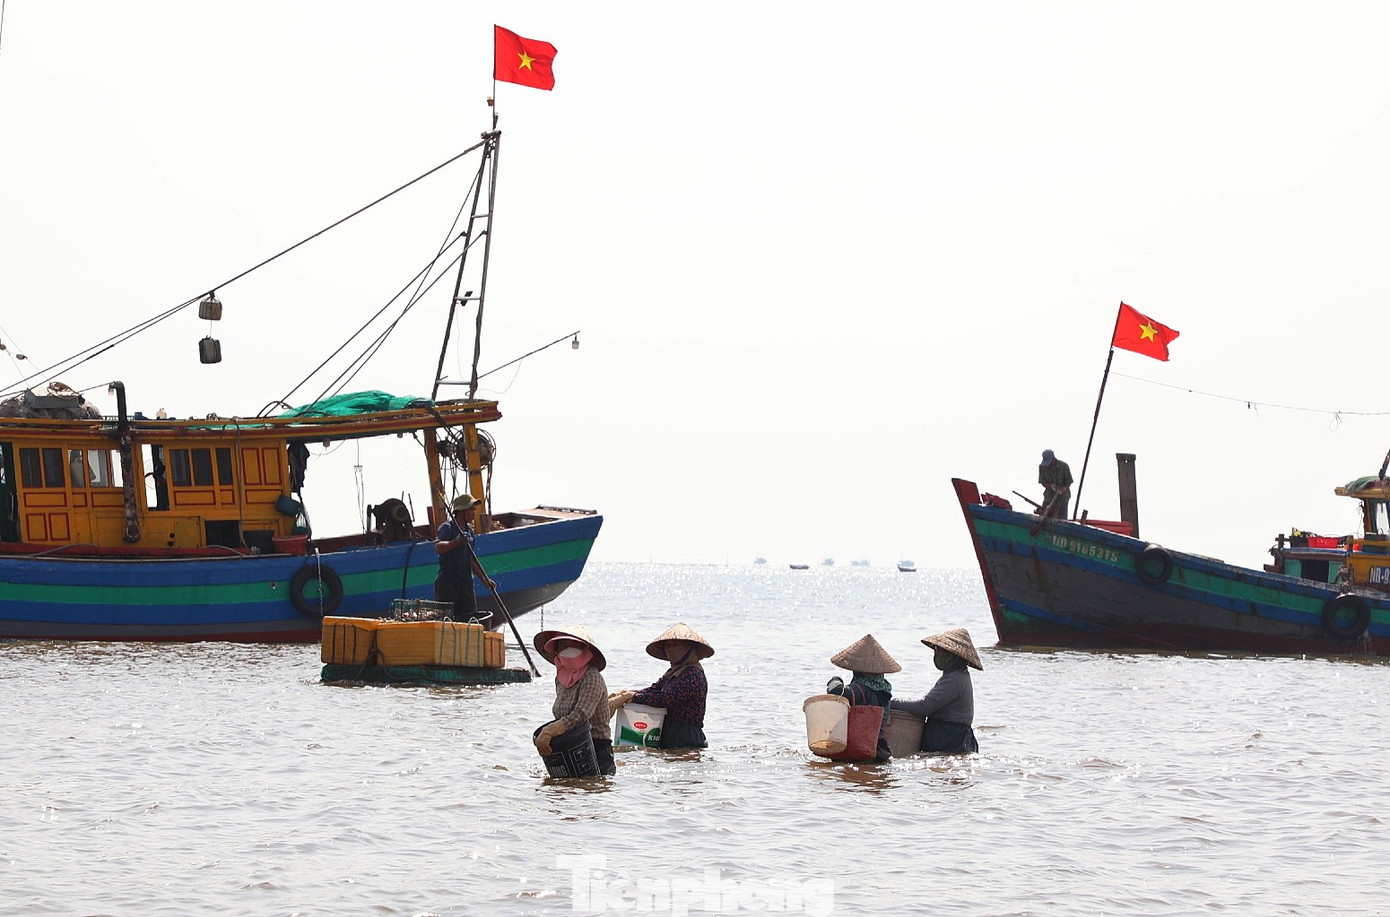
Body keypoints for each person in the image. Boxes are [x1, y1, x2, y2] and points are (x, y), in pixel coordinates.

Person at [609, 622, 712, 749]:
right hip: (669, 731)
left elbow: (666, 699)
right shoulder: (673, 672)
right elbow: (654, 690)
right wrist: (625, 694)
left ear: (689, 648)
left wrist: (633, 696)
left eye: (675, 645)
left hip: (686, 735)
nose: (670, 649)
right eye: (667, 646)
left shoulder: (693, 674)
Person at [532, 625, 615, 776]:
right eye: (563, 645)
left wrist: (551, 730)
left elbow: (581, 715)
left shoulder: (592, 676)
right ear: (556, 651)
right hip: (569, 744)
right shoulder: (560, 678)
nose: (568, 648)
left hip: (596, 748)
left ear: (585, 649)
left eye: (574, 644)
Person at [890, 627, 982, 754]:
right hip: (948, 735)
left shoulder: (955, 679)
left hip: (950, 737)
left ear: (953, 655)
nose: (936, 654)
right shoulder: (954, 675)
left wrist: (890, 702)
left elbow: (924, 706)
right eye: (936, 650)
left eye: (940, 650)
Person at [825, 633, 899, 763]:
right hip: (878, 752)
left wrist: (835, 679)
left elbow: (836, 691)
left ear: (857, 670)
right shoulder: (885, 690)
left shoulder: (860, 688)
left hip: (858, 752)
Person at [434, 493, 497, 622]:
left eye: (474, 509)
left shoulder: (470, 532)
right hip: (448, 584)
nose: (473, 513)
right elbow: (438, 547)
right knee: (449, 621)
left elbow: (471, 560)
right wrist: (455, 542)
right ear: (460, 511)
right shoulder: (448, 528)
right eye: (470, 509)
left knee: (470, 621)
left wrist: (485, 580)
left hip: (466, 584)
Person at [1038, 449, 1073, 519]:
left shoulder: (1064, 466)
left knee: (1061, 519)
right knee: (1044, 516)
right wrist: (1051, 486)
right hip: (1049, 497)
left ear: (1053, 459)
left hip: (1062, 498)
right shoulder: (1042, 467)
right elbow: (1042, 482)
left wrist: (1063, 489)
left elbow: (1069, 481)